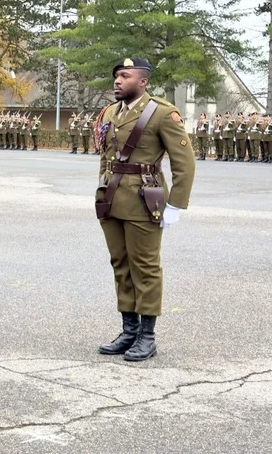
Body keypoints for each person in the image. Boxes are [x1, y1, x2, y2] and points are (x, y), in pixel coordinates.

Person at [93, 58, 195, 362]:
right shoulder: (111, 112)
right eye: (116, 76)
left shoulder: (162, 113)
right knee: (120, 264)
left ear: (143, 82)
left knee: (145, 268)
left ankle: (147, 336)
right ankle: (128, 330)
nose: (117, 81)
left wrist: (175, 203)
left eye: (125, 76)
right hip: (111, 198)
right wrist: (101, 188)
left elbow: (185, 164)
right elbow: (106, 156)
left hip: (143, 200)